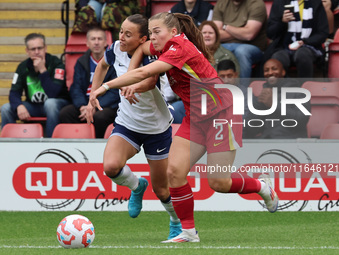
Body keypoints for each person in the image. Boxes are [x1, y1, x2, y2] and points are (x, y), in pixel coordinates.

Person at [87, 12, 279, 243]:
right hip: (195, 118)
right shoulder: (161, 45)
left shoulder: (179, 48)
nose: (152, 38)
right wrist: (132, 70)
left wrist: (105, 87)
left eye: (157, 32)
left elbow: (146, 73)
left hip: (222, 115)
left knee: (219, 183)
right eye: (151, 32)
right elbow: (141, 50)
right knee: (174, 172)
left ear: (174, 33)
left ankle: (262, 186)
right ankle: (189, 232)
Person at [85, 14, 182, 240]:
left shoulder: (152, 53)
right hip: (128, 123)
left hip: (156, 128)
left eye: (128, 34)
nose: (122, 37)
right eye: (121, 31)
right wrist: (91, 97)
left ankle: (177, 223)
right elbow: (101, 66)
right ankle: (137, 186)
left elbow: (150, 80)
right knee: (110, 166)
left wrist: (134, 86)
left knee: (162, 190)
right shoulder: (116, 49)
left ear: (142, 39)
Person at [0, 33, 70, 137]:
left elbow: (53, 93)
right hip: (34, 106)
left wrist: (43, 70)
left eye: (39, 48)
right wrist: (19, 106)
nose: (37, 52)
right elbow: (14, 92)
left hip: (58, 103)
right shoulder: (23, 67)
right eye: (33, 49)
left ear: (45, 48)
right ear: (27, 51)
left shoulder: (56, 63)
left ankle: (51, 143)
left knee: (50, 104)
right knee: (6, 108)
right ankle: (9, 144)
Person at [59, 27, 120, 138]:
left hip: (105, 106)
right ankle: (76, 142)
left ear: (106, 43)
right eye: (93, 39)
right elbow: (75, 87)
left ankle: (97, 145)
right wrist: (83, 106)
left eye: (100, 39)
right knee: (66, 113)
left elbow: (115, 91)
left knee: (100, 117)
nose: (96, 42)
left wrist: (95, 106)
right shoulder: (81, 62)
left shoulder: (113, 62)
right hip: (85, 103)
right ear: (87, 43)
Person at [243, 59, 311, 138]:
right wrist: (259, 106)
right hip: (265, 144)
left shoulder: (299, 93)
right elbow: (250, 129)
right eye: (266, 70)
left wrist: (274, 105)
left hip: (291, 144)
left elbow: (301, 121)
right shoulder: (263, 97)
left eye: (274, 69)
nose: (270, 73)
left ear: (283, 72)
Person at [266, 0, 329, 78]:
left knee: (302, 54)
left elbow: (323, 33)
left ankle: (305, 87)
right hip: (284, 46)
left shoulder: (315, 3)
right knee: (278, 58)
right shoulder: (280, 2)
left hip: (309, 46)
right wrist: (282, 22)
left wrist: (305, 42)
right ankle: (282, 88)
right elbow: (270, 33)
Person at [212, 0, 268, 79]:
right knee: (211, 50)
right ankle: (214, 87)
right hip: (225, 45)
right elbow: (215, 34)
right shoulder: (221, 3)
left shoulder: (256, 3)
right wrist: (242, 32)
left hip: (252, 47)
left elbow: (249, 35)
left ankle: (242, 89)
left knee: (242, 51)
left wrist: (225, 27)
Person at [72, 0, 141, 40]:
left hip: (122, 3)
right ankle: (84, 48)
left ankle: (118, 44)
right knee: (86, 12)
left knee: (110, 13)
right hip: (98, 2)